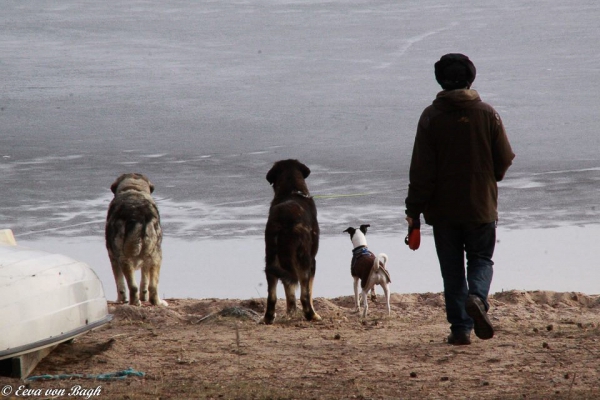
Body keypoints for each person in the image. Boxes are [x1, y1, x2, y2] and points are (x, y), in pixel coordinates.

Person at [405, 53, 515, 345]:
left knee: (452, 270)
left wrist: (413, 211)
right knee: (481, 260)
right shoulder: (488, 114)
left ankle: (460, 329)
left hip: (443, 212)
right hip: (481, 206)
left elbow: (421, 171)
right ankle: (477, 297)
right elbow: (504, 159)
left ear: (441, 81)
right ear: (471, 78)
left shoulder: (431, 117)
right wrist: (489, 179)